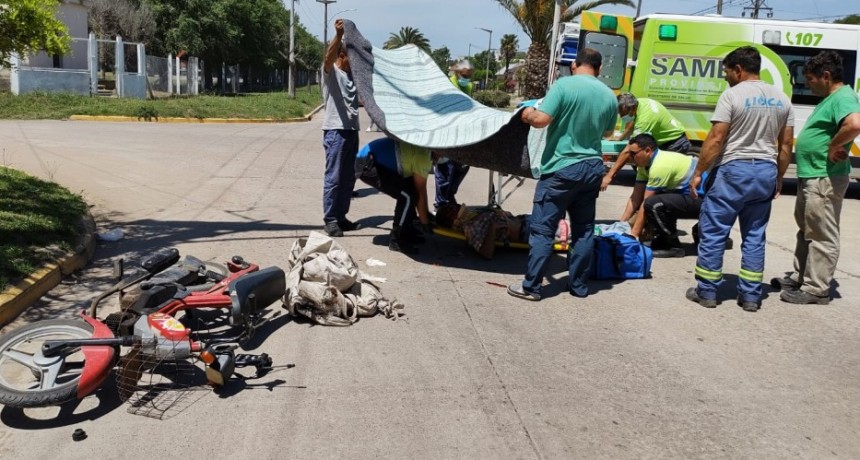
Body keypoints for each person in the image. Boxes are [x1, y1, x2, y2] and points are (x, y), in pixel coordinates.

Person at [685, 46, 794, 312]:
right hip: (765, 171)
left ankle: (707, 291)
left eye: (727, 72)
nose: (726, 77)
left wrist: (698, 173)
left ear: (739, 69)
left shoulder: (732, 95)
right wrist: (779, 176)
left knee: (714, 231)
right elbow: (786, 145)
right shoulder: (782, 99)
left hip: (733, 171)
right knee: (755, 235)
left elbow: (716, 138)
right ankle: (751, 297)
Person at [507, 48, 618, 301]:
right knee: (584, 230)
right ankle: (578, 286)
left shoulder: (563, 86)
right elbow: (608, 133)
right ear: (599, 68)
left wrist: (526, 113)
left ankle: (531, 287)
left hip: (562, 167)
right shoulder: (609, 96)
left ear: (574, 65)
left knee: (543, 230)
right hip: (592, 168)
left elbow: (541, 120)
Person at [772, 51, 860, 305]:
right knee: (807, 229)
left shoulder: (843, 97)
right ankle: (801, 276)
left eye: (810, 79)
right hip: (813, 173)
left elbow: (854, 124)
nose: (807, 84)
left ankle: (816, 288)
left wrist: (833, 145)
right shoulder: (831, 98)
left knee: (821, 232)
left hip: (824, 176)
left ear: (826, 76)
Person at [621, 133, 703, 258]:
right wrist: (621, 225)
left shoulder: (660, 165)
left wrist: (633, 235)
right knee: (657, 199)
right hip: (687, 197)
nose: (630, 158)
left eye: (634, 154)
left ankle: (674, 247)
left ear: (647, 151)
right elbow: (635, 197)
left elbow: (646, 202)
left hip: (706, 202)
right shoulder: (644, 165)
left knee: (653, 204)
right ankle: (663, 239)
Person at [355, 137, 433, 254]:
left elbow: (419, 189)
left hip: (373, 158)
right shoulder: (424, 156)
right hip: (367, 162)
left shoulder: (425, 150)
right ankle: (397, 239)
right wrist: (425, 221)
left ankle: (407, 231)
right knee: (407, 196)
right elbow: (420, 189)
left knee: (411, 190)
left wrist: (425, 214)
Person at [601, 93, 691, 192]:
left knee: (661, 185)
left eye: (623, 113)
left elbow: (628, 150)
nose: (621, 116)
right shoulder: (640, 103)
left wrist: (610, 175)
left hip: (674, 144)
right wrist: (620, 138)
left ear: (632, 108)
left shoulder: (645, 120)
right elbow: (633, 122)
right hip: (668, 141)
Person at [321, 18, 360, 238]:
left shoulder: (353, 76)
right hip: (335, 131)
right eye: (351, 59)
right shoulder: (331, 73)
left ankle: (341, 216)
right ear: (342, 56)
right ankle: (331, 220)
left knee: (348, 178)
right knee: (334, 178)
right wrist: (337, 36)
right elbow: (328, 57)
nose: (354, 64)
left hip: (352, 132)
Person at [434, 60, 473, 212]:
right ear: (457, 73)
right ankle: (441, 203)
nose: (467, 78)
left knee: (461, 167)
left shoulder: (468, 86)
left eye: (469, 76)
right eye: (464, 75)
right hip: (446, 131)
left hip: (462, 133)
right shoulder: (447, 85)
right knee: (445, 169)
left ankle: (449, 196)